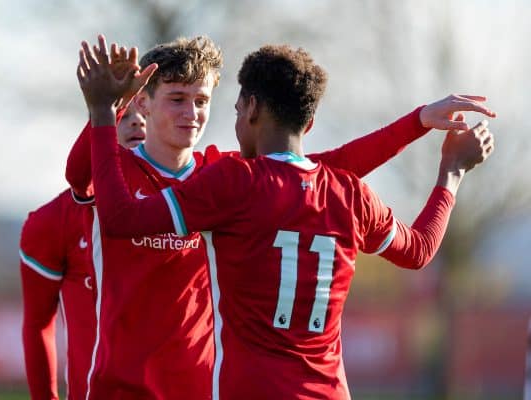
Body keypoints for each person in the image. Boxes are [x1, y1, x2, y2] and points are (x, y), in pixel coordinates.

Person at [70, 35, 494, 399]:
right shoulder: (343, 192)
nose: (194, 113)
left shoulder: (230, 181)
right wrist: (446, 168)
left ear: (250, 108)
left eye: (209, 102)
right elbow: (412, 243)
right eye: (178, 99)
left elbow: (121, 218)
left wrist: (104, 110)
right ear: (309, 123)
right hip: (141, 386)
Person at [19, 105, 146, 400]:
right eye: (124, 112)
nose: (137, 120)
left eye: (146, 111)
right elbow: (38, 324)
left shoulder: (189, 199)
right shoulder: (52, 222)